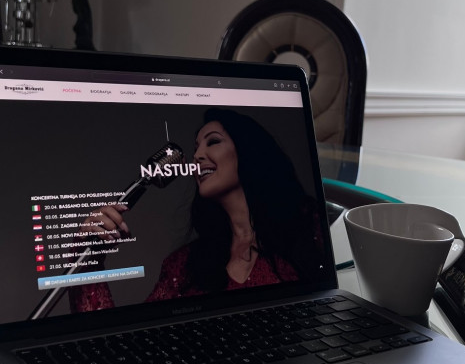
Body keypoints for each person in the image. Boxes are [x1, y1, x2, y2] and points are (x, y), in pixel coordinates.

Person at [69, 109, 321, 313]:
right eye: (196, 148)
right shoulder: (183, 265)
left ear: (248, 149)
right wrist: (90, 261)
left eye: (213, 142)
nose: (198, 155)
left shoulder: (308, 226)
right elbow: (130, 345)